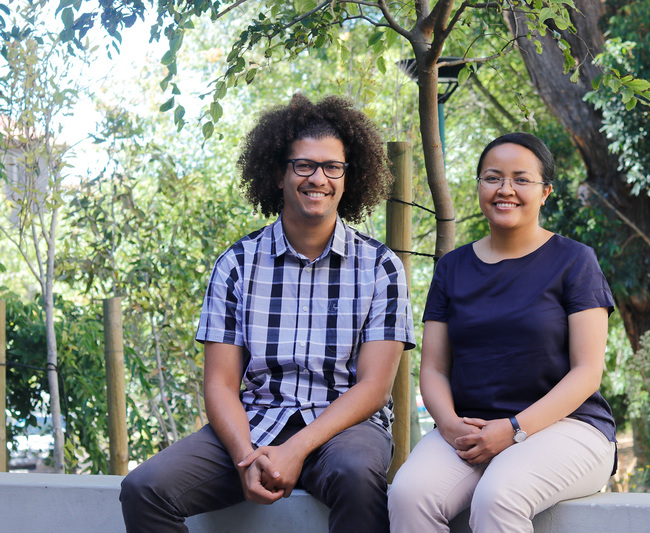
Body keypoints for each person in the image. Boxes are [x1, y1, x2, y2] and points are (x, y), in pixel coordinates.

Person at [120, 93, 415, 533]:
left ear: (348, 178)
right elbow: (220, 384)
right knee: (145, 489)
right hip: (255, 421)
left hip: (344, 428)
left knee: (358, 477)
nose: (319, 178)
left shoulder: (380, 266)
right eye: (304, 165)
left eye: (333, 167)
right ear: (278, 173)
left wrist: (295, 449)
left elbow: (374, 388)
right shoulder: (237, 264)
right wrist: (244, 457)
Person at [388, 132, 616, 532]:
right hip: (471, 430)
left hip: (568, 427)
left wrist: (513, 430)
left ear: (545, 192)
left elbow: (586, 372)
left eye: (521, 179)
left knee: (499, 498)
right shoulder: (452, 268)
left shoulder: (575, 261)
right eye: (492, 177)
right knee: (408, 495)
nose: (505, 189)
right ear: (479, 185)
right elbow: (435, 369)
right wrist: (450, 425)